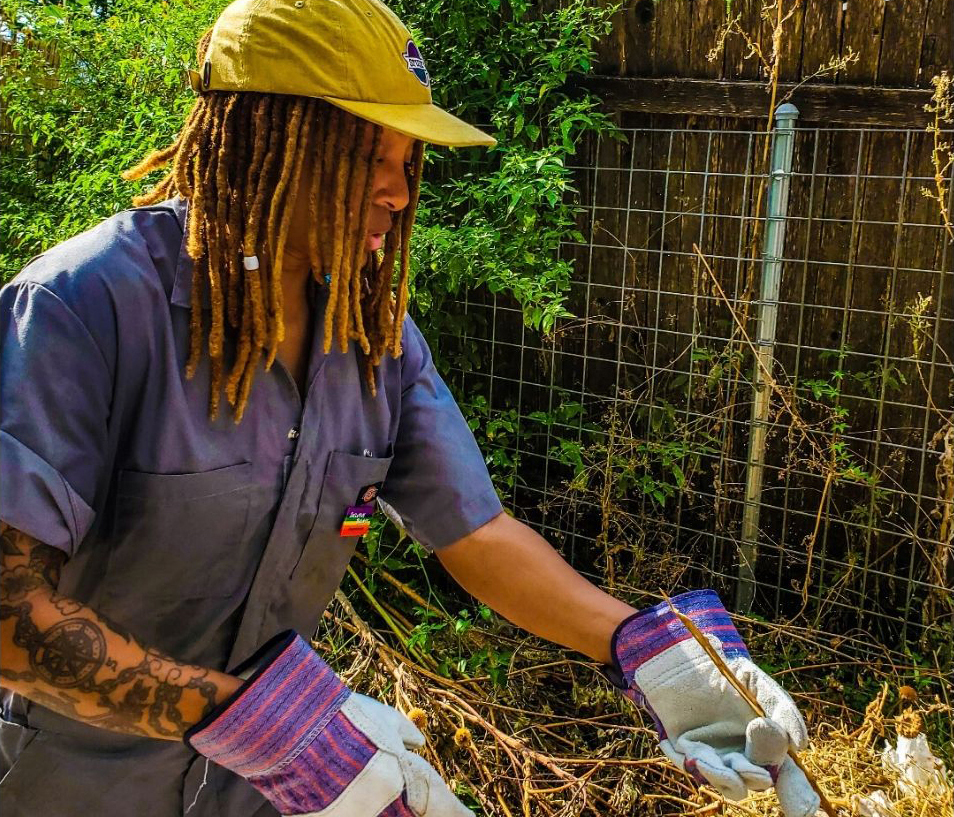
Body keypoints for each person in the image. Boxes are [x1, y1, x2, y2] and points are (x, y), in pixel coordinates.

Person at [0, 1, 820, 815]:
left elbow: (477, 534)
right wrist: (264, 724)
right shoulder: (82, 309)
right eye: (367, 156)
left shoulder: (375, 340)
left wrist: (651, 653)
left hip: (269, 797)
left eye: (406, 158)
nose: (397, 191)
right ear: (261, 138)